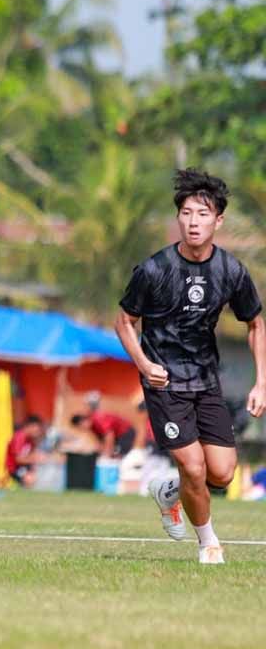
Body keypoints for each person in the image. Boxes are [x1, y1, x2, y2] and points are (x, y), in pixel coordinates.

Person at [115, 168, 266, 564]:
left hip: (205, 380)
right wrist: (145, 364)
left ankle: (169, 491)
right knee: (194, 467)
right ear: (177, 218)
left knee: (222, 473)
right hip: (164, 380)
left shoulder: (230, 271)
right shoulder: (153, 270)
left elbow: (255, 324)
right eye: (186, 213)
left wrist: (261, 383)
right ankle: (209, 543)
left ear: (218, 220)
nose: (193, 221)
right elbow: (124, 322)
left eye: (202, 214)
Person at [5, 417, 46, 488]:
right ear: (30, 426)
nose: (38, 432)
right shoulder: (19, 438)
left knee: (40, 475)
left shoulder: (30, 440)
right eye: (37, 429)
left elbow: (32, 454)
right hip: (14, 469)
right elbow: (18, 459)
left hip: (24, 467)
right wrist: (35, 459)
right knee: (30, 479)